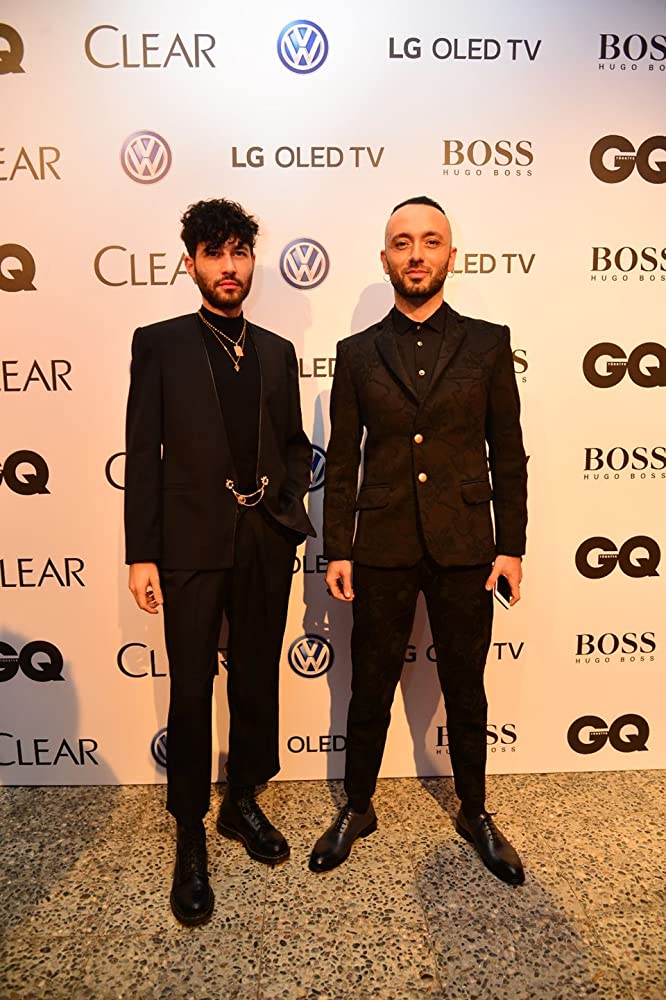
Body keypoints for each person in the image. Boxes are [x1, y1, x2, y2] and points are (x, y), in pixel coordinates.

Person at [310, 196, 528, 885]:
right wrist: (338, 548)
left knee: (467, 685)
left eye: (430, 241)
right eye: (402, 242)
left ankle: (474, 810)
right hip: (381, 544)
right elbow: (342, 460)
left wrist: (512, 546)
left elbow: (508, 451)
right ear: (385, 259)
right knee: (369, 684)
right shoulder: (356, 353)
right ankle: (358, 806)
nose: (416, 254)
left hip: (467, 545)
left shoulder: (488, 343)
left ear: (450, 255)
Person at [124, 198, 314, 925]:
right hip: (189, 544)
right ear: (191, 263)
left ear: (251, 261)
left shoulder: (276, 350)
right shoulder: (160, 343)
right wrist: (143, 553)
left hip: (263, 540)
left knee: (258, 676)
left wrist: (285, 514)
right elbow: (143, 454)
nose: (228, 266)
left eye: (239, 252)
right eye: (214, 253)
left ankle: (241, 801)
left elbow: (294, 444)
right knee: (191, 686)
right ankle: (189, 831)